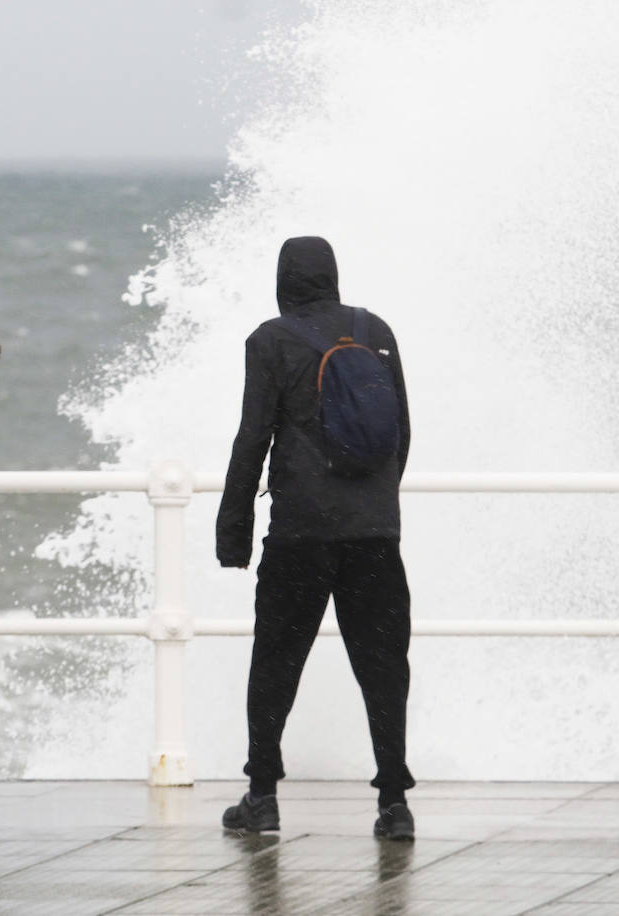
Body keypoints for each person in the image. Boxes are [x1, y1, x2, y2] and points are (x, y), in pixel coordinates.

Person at [216, 235, 415, 840]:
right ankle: (393, 804)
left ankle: (262, 796)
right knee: (383, 666)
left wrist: (234, 532)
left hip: (302, 533)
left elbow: (253, 437)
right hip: (375, 535)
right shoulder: (375, 328)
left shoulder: (270, 340)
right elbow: (402, 431)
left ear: (284, 279)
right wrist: (377, 502)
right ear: (332, 274)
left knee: (276, 659)